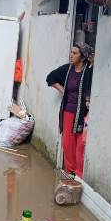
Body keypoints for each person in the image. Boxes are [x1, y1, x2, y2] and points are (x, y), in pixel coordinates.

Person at [46, 42, 93, 178]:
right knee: (67, 145)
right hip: (68, 112)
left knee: (80, 146)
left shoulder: (88, 72)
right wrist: (63, 90)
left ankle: (79, 176)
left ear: (83, 57)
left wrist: (93, 62)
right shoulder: (67, 69)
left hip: (83, 115)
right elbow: (50, 78)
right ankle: (71, 174)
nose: (71, 55)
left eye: (75, 53)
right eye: (71, 52)